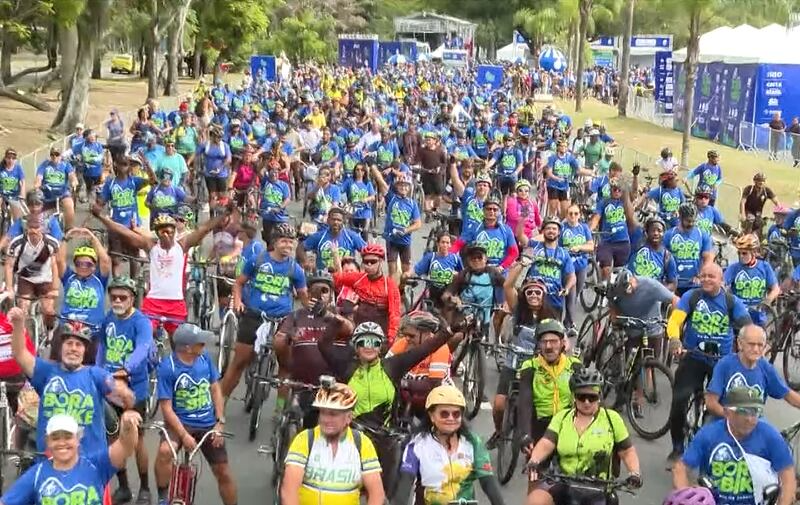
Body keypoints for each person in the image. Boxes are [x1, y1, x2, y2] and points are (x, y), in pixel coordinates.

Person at [318, 317, 452, 496]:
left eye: (374, 342)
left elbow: (427, 348)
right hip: (352, 438)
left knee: (384, 494)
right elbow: (323, 345)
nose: (369, 346)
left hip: (385, 439)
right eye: (363, 342)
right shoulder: (346, 367)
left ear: (380, 347)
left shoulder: (392, 366)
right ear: (356, 346)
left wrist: (451, 329)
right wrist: (336, 322)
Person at [8, 305, 134, 455]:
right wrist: (18, 325)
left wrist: (124, 392)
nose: (73, 348)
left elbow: (126, 399)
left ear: (85, 350)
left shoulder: (96, 374)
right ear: (61, 347)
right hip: (50, 459)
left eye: (78, 345)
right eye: (69, 343)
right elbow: (20, 353)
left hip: (88, 460)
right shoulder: (46, 371)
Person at [665, 262, 753, 462]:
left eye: (711, 276)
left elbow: (748, 328)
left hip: (721, 363)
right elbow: (675, 320)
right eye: (703, 276)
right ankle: (677, 447)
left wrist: (749, 349)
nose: (706, 279)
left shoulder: (731, 302)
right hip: (693, 357)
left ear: (721, 280)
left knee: (723, 408)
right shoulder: (692, 297)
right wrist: (675, 339)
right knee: (679, 401)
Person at [91, 207, 224, 336]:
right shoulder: (150, 246)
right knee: (146, 335)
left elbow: (204, 229)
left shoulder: (182, 245)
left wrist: (224, 214)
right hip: (154, 302)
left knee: (178, 342)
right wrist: (101, 217)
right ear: (157, 233)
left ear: (174, 232)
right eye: (162, 232)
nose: (166, 235)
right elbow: (124, 232)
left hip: (176, 303)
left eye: (169, 231)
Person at [526, 367, 642, 505]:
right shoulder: (561, 418)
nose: (587, 402)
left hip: (599, 489)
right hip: (563, 483)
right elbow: (546, 442)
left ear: (599, 397)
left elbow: (627, 451)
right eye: (581, 397)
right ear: (574, 397)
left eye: (592, 397)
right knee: (535, 500)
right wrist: (534, 460)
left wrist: (634, 473)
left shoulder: (612, 419)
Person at [223, 222, 307, 398]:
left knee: (286, 365)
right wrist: (237, 301)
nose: (288, 245)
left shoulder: (295, 269)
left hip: (282, 320)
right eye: (284, 241)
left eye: (291, 242)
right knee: (239, 362)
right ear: (274, 242)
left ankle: (280, 408)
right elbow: (239, 283)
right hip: (254, 316)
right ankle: (220, 404)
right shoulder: (257, 260)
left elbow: (304, 298)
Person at [155, 323, 236, 505]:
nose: (204, 345)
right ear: (188, 348)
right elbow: (166, 408)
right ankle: (162, 496)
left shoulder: (204, 358)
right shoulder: (168, 368)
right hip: (180, 424)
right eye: (200, 343)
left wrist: (219, 422)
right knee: (165, 452)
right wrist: (183, 435)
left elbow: (215, 388)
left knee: (223, 471)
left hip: (207, 424)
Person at [672, 387, 796, 505]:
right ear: (727, 412)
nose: (749, 419)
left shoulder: (770, 436)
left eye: (754, 411)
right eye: (743, 412)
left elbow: (788, 477)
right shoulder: (708, 435)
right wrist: (687, 496)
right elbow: (680, 468)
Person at [393, 385, 506, 505]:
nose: (451, 419)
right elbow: (404, 486)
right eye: (444, 414)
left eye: (456, 414)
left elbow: (488, 482)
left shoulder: (473, 443)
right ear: (432, 416)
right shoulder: (417, 445)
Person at [95, 276, 154, 505]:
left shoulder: (141, 322)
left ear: (132, 299)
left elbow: (143, 347)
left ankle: (145, 488)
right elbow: (102, 346)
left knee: (137, 440)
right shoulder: (108, 318)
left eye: (123, 297)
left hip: (134, 388)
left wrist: (126, 369)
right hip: (109, 388)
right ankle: (124, 487)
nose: (117, 301)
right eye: (114, 297)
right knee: (112, 438)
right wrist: (99, 372)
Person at [0, 411, 141, 505]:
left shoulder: (96, 465)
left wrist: (128, 425)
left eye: (68, 437)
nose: (62, 443)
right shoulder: (37, 474)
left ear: (78, 439)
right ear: (48, 441)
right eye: (56, 438)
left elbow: (125, 446)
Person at [272, 270, 353, 429]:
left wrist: (327, 315)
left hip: (329, 385)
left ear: (331, 295)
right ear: (308, 294)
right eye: (316, 290)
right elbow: (278, 341)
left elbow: (349, 329)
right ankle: (279, 409)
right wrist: (287, 338)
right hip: (300, 382)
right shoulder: (296, 315)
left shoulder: (336, 316)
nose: (320, 295)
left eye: (325, 291)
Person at [282, 382, 384, 505]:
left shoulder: (362, 443)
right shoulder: (305, 440)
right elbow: (289, 491)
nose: (326, 419)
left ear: (348, 417)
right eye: (323, 413)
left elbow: (376, 493)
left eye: (333, 414)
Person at [512, 319, 581, 452]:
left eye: (554, 341)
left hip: (567, 427)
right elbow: (525, 402)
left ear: (562, 343)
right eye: (544, 342)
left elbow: (590, 399)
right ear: (538, 344)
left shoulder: (574, 366)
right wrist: (525, 434)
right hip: (540, 428)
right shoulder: (530, 367)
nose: (549, 346)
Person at [706, 324, 800, 418]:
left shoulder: (766, 368)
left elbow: (788, 394)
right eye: (751, 344)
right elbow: (711, 403)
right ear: (740, 344)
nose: (755, 349)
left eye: (760, 345)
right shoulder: (725, 365)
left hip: (754, 421)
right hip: (725, 419)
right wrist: (734, 419)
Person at [53, 229, 111, 360]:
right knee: (56, 357)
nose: (83, 267)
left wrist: (92, 237)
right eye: (79, 263)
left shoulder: (99, 279)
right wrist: (66, 238)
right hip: (68, 326)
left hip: (93, 330)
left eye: (88, 264)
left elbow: (105, 261)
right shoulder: (69, 277)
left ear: (94, 265)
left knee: (95, 361)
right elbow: (60, 260)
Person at [97, 155, 156, 277]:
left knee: (134, 257)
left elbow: (153, 181)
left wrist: (147, 165)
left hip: (132, 226)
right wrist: (97, 207)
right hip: (116, 226)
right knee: (116, 259)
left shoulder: (134, 181)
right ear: (116, 165)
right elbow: (101, 202)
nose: (124, 167)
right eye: (122, 164)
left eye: (127, 164)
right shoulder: (110, 183)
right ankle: (117, 282)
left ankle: (134, 283)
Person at [331, 242, 401, 344]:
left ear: (381, 261)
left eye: (373, 262)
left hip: (381, 331)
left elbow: (394, 314)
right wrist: (335, 256)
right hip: (359, 327)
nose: (369, 265)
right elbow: (338, 278)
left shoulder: (389, 286)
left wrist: (391, 338)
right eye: (366, 262)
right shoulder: (358, 278)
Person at [723, 234, 780, 328]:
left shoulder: (765, 267)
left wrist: (767, 301)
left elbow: (776, 289)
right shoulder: (734, 268)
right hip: (739, 314)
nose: (741, 256)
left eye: (744, 253)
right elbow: (722, 284)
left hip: (758, 314)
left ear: (754, 252)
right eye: (739, 253)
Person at [525, 217, 576, 314]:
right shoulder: (535, 246)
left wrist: (567, 288)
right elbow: (521, 237)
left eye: (554, 229)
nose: (551, 231)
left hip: (554, 300)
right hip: (533, 297)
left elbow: (572, 276)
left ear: (559, 232)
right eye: (548, 228)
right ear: (543, 231)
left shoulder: (564, 253)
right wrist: (522, 220)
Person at [664, 204, 714, 296]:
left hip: (694, 283)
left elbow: (708, 258)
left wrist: (700, 275)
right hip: (674, 283)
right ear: (680, 218)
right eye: (688, 221)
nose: (691, 224)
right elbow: (662, 257)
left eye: (693, 221)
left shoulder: (702, 235)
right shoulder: (669, 234)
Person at [407, 230, 463, 309]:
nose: (445, 245)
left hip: (448, 293)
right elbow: (417, 269)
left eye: (447, 243)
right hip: (432, 292)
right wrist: (408, 274)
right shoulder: (431, 257)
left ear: (450, 244)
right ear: (438, 243)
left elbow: (462, 274)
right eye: (443, 242)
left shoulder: (455, 258)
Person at [560, 204, 594, 331]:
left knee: (576, 294)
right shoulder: (562, 228)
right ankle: (570, 324)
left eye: (576, 213)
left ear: (579, 215)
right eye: (570, 213)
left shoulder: (584, 228)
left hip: (581, 265)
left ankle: (567, 320)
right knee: (571, 294)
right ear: (566, 215)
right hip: (568, 267)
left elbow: (591, 246)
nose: (573, 216)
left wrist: (579, 247)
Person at [299, 208, 366, 271]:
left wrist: (362, 269)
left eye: (339, 220)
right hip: (323, 276)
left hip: (345, 275)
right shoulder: (319, 236)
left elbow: (367, 251)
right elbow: (300, 248)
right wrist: (305, 262)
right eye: (333, 219)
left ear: (343, 222)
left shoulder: (352, 236)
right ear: (328, 220)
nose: (336, 222)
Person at [628, 216, 678, 290]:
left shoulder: (667, 256)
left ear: (664, 233)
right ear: (647, 232)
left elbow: (673, 283)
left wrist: (659, 290)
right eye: (653, 230)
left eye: (659, 231)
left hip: (653, 295)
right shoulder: (636, 245)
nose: (656, 233)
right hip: (633, 291)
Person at [35, 146, 78, 229]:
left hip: (62, 193)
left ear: (60, 155)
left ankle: (69, 229)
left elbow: (72, 176)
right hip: (47, 194)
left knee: (69, 204)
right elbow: (39, 177)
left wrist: (74, 182)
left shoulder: (66, 164)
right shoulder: (44, 165)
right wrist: (37, 185)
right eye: (52, 154)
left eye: (57, 154)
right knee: (37, 212)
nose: (54, 156)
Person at [740, 172, 779, 238]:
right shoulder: (749, 189)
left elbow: (776, 202)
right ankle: (745, 238)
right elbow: (742, 202)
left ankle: (756, 239)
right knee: (750, 219)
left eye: (763, 181)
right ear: (755, 181)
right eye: (759, 180)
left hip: (758, 213)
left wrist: (779, 214)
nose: (761, 182)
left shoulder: (767, 191)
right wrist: (743, 214)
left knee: (761, 224)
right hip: (748, 211)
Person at [505, 179, 542, 245]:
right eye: (520, 190)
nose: (523, 193)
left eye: (526, 191)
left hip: (530, 234)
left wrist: (541, 227)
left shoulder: (533, 203)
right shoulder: (512, 201)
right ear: (517, 191)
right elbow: (512, 217)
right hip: (515, 233)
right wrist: (525, 220)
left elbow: (537, 219)